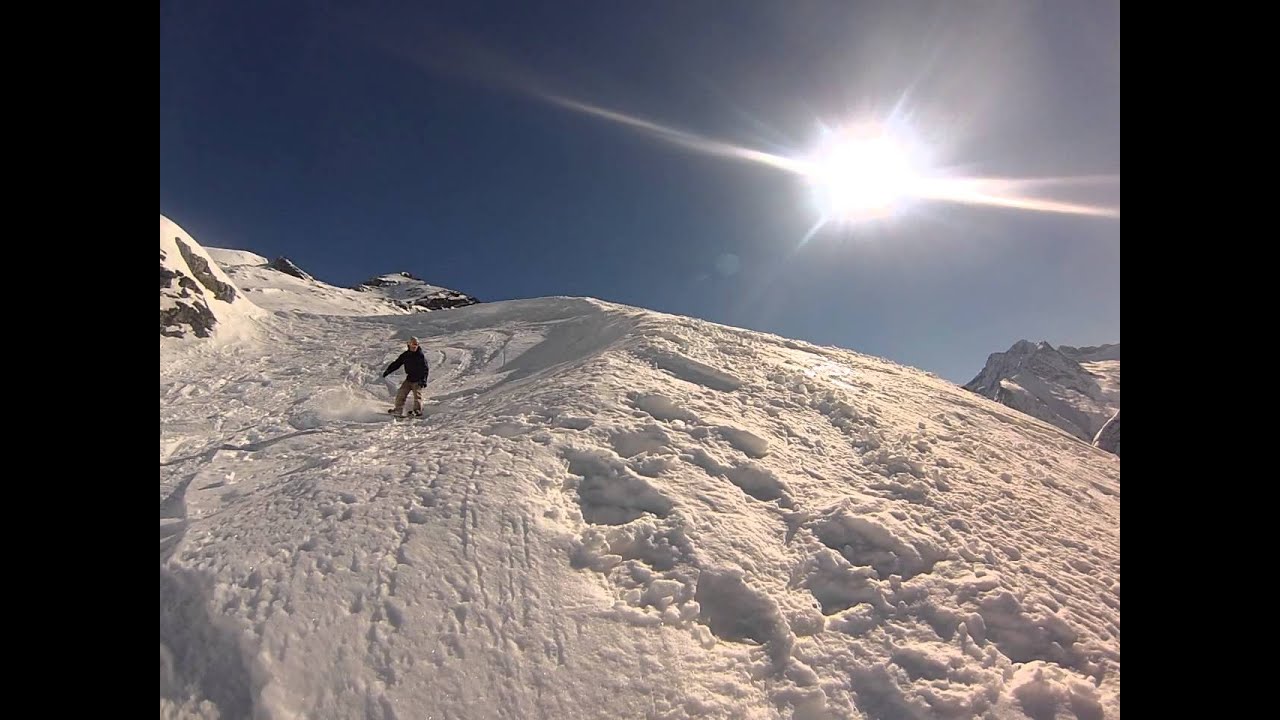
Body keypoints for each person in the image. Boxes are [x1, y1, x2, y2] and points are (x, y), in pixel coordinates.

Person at [383, 336, 429, 417]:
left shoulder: (420, 356)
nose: (415, 346)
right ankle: (398, 410)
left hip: (418, 379)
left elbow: (425, 369)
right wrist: (388, 370)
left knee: (417, 395)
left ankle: (417, 411)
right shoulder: (406, 355)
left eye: (416, 344)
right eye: (413, 344)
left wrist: (423, 380)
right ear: (409, 345)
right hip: (409, 378)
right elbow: (397, 363)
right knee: (401, 393)